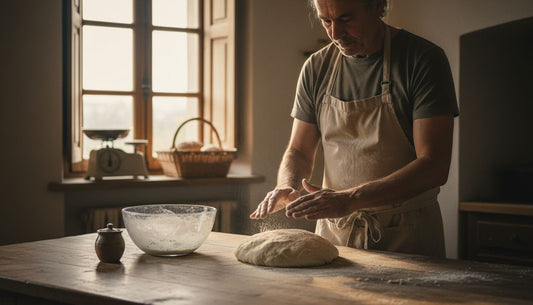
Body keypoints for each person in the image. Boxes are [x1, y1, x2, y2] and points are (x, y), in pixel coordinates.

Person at [250, 0, 459, 258]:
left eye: (345, 19)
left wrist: (350, 199)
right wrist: (288, 184)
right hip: (334, 235)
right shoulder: (316, 69)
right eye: (326, 21)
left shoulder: (422, 60)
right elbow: (299, 151)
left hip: (407, 235)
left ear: (378, 7)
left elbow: (434, 165)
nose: (334, 33)